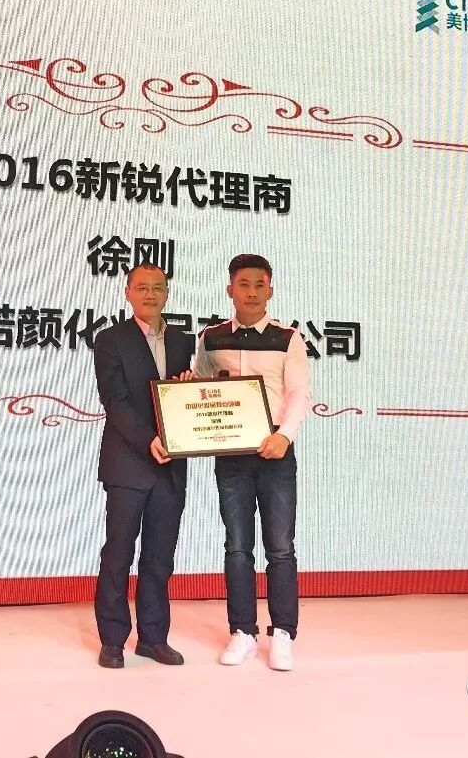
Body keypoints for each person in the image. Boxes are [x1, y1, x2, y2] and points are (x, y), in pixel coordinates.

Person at [194, 253, 311, 671]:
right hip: (232, 456)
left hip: (275, 452)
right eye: (243, 284)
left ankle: (283, 634)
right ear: (230, 289)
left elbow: (298, 393)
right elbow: (201, 387)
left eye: (259, 285)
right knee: (237, 547)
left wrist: (284, 435)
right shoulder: (210, 338)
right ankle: (242, 631)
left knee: (280, 548)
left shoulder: (288, 338)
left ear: (270, 290)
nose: (252, 292)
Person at [91, 263, 195, 669]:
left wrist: (190, 389)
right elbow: (114, 401)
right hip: (128, 463)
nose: (151, 295)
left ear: (167, 293)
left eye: (158, 288)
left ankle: (153, 638)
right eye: (142, 288)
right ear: (128, 292)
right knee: (118, 554)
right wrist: (149, 440)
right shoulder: (111, 339)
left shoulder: (184, 340)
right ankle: (112, 640)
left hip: (171, 465)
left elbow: (183, 397)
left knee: (159, 558)